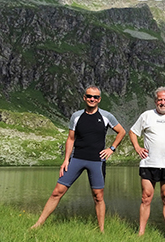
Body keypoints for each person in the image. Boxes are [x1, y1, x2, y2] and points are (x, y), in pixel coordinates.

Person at [30, 85, 126, 233]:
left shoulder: (107, 116)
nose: (92, 99)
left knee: (98, 196)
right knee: (57, 191)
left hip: (97, 161)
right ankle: (38, 224)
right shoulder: (76, 116)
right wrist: (66, 160)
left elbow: (121, 131)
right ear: (84, 98)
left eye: (95, 97)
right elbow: (70, 139)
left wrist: (111, 149)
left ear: (99, 99)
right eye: (89, 96)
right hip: (77, 159)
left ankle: (101, 231)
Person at [129, 86, 165, 237]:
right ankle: (141, 232)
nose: (162, 102)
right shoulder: (146, 115)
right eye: (159, 99)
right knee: (146, 197)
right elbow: (132, 132)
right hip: (149, 163)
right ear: (155, 101)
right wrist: (137, 147)